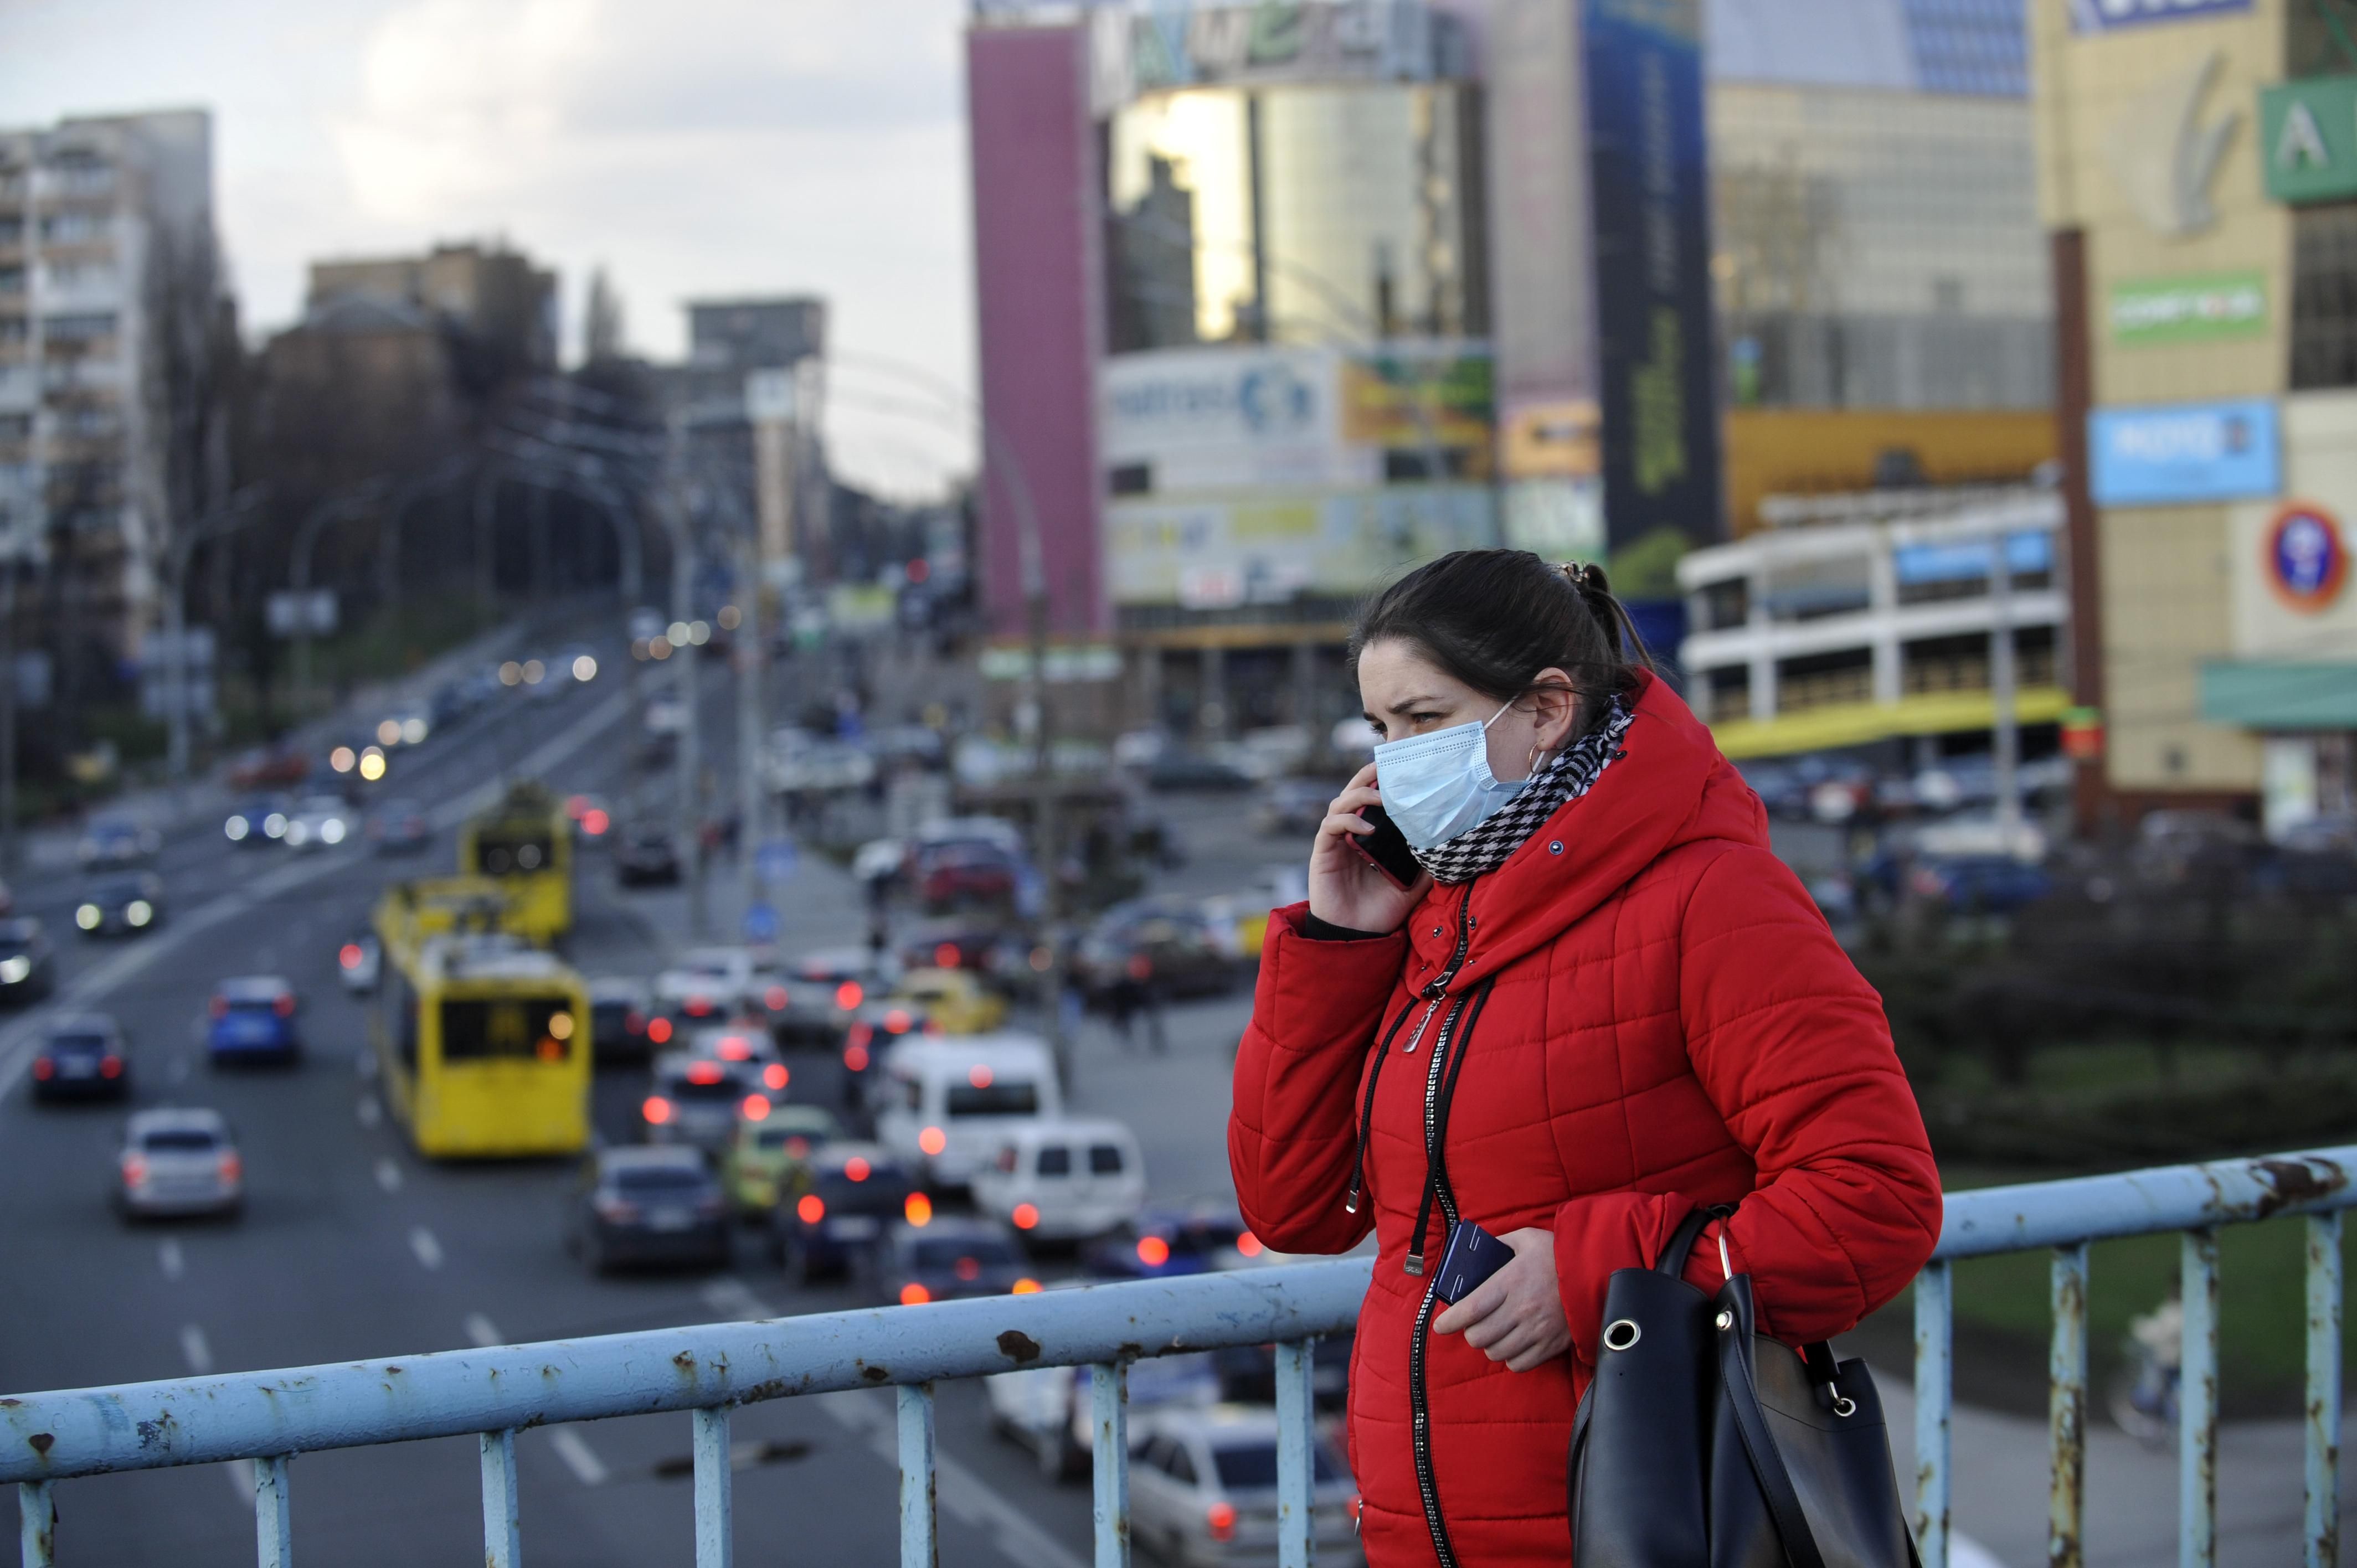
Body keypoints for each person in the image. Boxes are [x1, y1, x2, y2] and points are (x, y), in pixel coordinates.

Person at [1229, 550, 1941, 1568]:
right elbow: (1294, 1210)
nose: (1390, 765)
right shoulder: (1439, 910)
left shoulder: (1712, 896)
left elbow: (1878, 1202)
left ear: (1548, 710)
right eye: (1379, 731)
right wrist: (1338, 946)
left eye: (1424, 721)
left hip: (1643, 1524)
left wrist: (1593, 1273)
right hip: (1425, 1533)